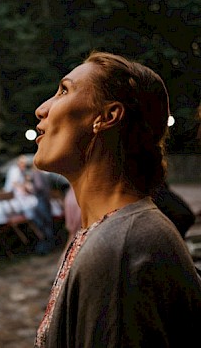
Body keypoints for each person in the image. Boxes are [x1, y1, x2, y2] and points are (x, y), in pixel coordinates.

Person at [32, 51, 201, 347]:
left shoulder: (120, 249)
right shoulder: (110, 232)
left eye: (64, 90)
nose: (42, 109)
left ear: (107, 117)